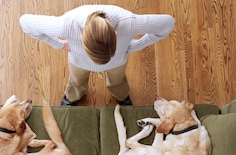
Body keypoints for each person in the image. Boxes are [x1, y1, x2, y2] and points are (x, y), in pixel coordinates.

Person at [20, 5, 175, 106]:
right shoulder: (67, 25)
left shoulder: (129, 23)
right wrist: (59, 44)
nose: (99, 68)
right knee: (76, 81)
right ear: (81, 39)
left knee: (118, 81)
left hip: (117, 62)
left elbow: (168, 23)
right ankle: (72, 97)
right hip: (79, 61)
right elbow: (25, 22)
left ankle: (121, 97)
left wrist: (135, 46)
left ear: (115, 35)